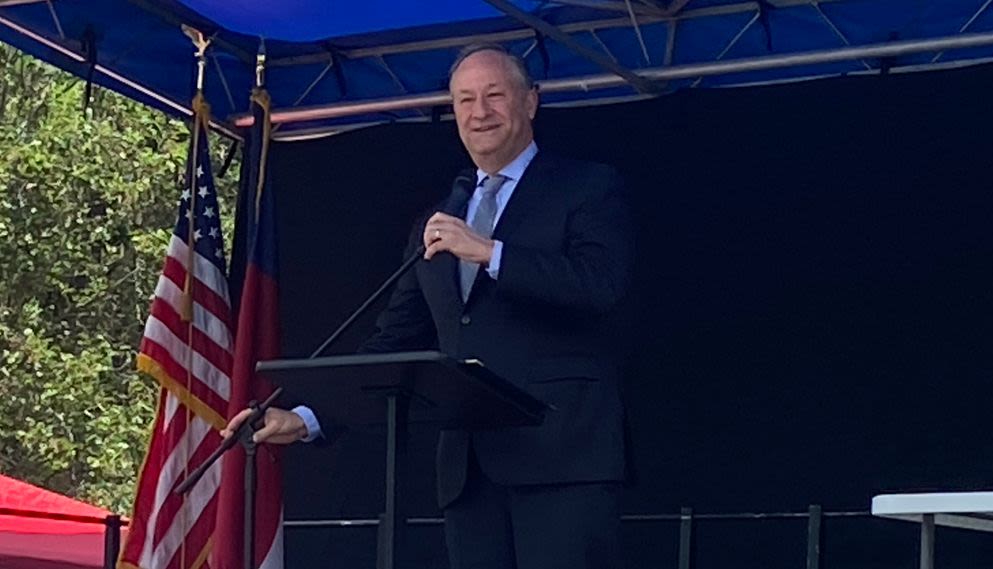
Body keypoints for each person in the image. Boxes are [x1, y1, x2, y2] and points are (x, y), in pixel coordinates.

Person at [224, 44, 634, 569]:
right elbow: (394, 341)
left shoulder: (588, 186)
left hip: (563, 458)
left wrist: (490, 252)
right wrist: (308, 418)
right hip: (470, 470)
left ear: (531, 102)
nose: (479, 112)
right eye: (465, 100)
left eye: (494, 96)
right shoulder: (440, 220)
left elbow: (601, 286)